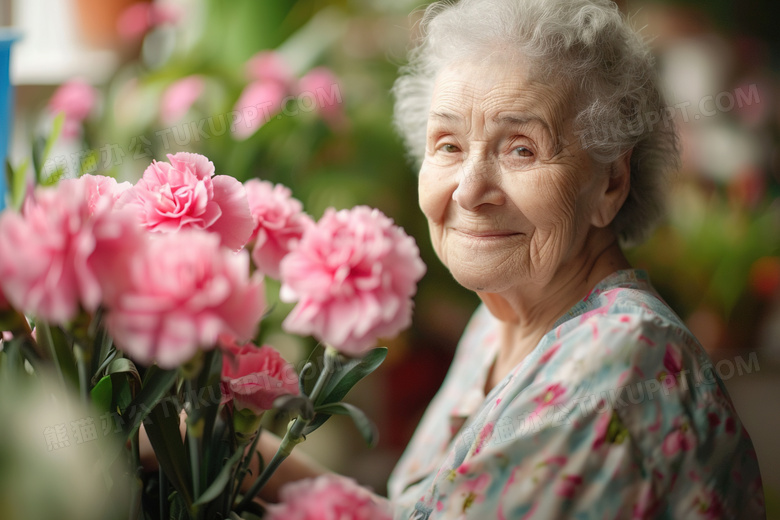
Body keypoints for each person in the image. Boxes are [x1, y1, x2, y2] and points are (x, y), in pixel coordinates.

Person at [386, 0, 765, 518]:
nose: (470, 191)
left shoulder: (625, 351)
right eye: (448, 145)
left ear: (611, 181)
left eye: (521, 149)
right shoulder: (494, 325)